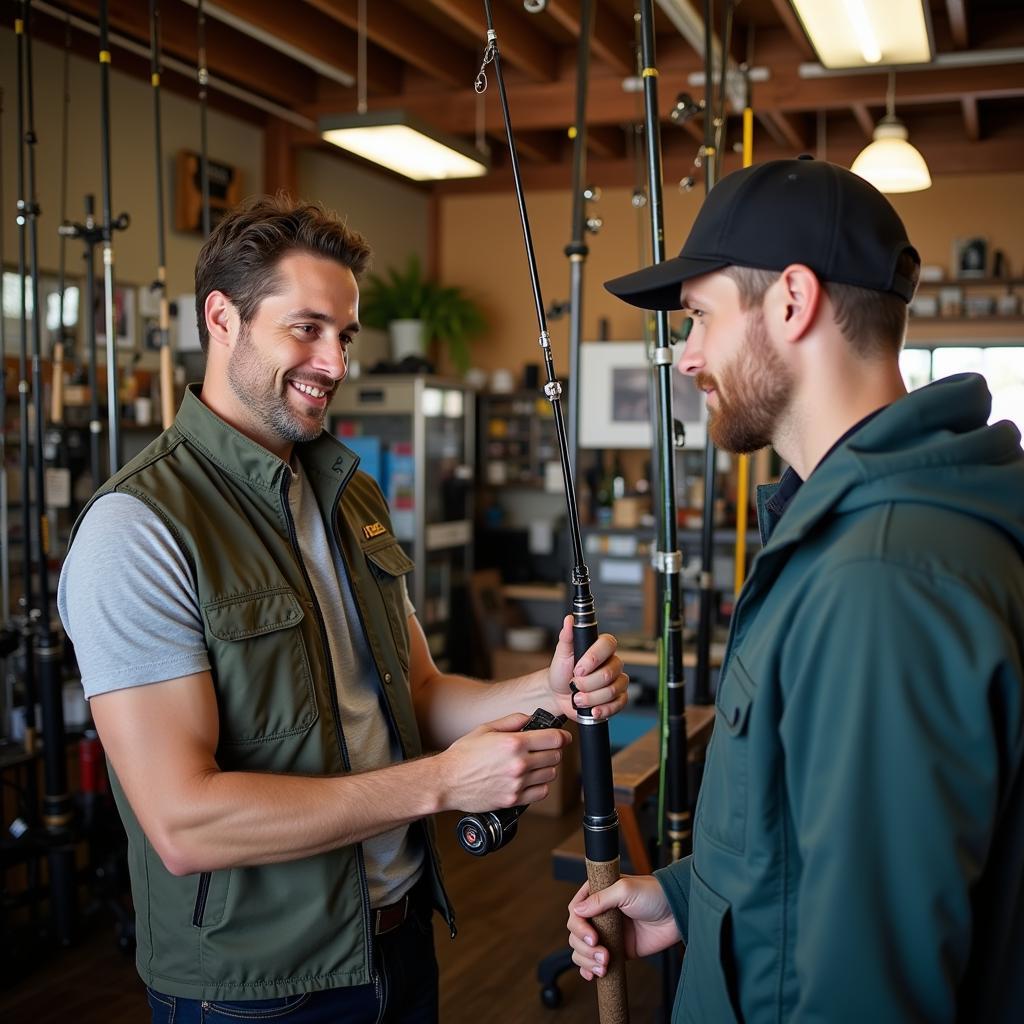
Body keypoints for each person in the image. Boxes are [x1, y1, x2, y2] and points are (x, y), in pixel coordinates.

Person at [58, 196, 629, 1023]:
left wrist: (545, 689)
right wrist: (440, 784)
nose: (334, 361)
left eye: (347, 335)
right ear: (222, 318)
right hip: (256, 993)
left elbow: (418, 694)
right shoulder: (137, 529)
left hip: (395, 944)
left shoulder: (345, 492)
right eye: (307, 328)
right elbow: (185, 822)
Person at [566, 157, 1024, 1022]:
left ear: (792, 301)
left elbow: (870, 987)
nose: (687, 354)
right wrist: (687, 898)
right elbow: (830, 859)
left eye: (700, 315)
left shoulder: (883, 581)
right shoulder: (850, 529)